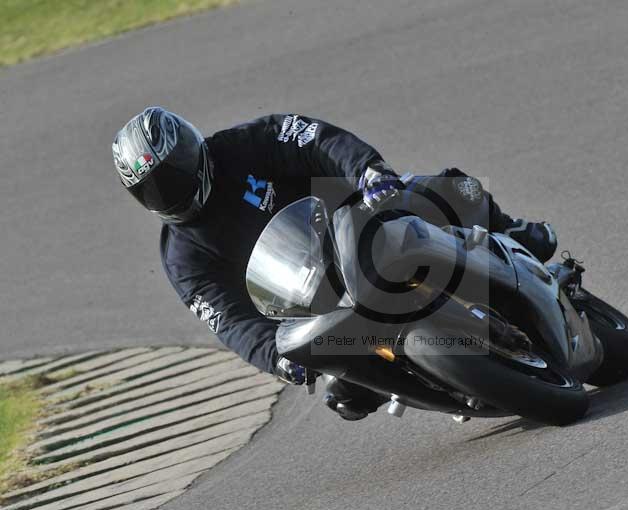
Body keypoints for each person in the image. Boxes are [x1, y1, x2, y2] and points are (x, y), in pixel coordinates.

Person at [111, 107, 558, 420]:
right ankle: (449, 384)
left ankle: (510, 231)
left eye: (171, 175)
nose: (168, 192)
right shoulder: (182, 256)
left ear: (191, 151)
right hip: (319, 302)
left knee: (434, 190)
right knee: (343, 397)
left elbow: (318, 140)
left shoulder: (245, 145)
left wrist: (367, 170)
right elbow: (227, 318)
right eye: (152, 189)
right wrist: (276, 358)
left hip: (359, 229)